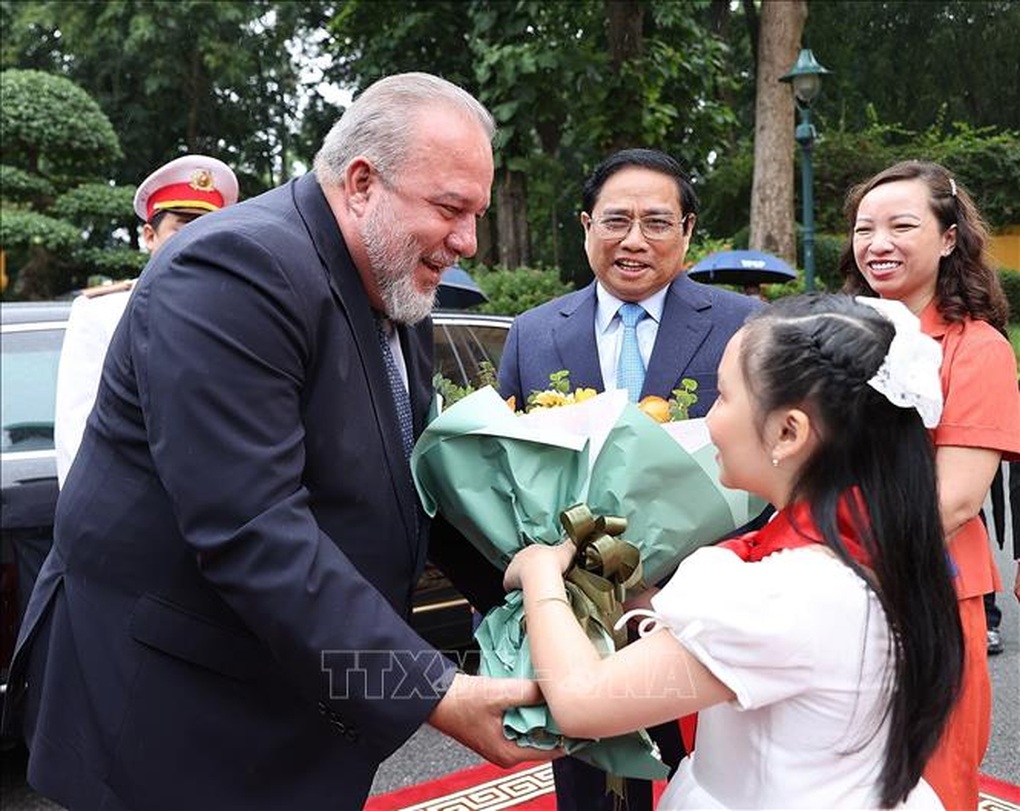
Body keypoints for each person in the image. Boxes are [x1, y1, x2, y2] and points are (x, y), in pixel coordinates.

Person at [3, 72, 552, 810]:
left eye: (477, 213)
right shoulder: (233, 268)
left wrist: (530, 577)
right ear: (362, 182)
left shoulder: (393, 282)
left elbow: (414, 478)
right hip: (182, 716)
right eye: (452, 209)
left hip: (289, 691)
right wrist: (434, 691)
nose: (469, 242)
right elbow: (252, 528)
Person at [504, 293, 964, 809]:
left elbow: (582, 700)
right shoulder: (877, 544)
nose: (709, 421)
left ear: (788, 432)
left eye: (721, 397)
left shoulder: (786, 596)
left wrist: (542, 573)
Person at [496, 147, 761, 810]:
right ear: (585, 224)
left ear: (688, 230)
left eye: (657, 222)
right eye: (615, 220)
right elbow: (505, 471)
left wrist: (674, 586)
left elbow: (769, 476)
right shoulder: (531, 334)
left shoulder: (744, 327)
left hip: (701, 615)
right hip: (575, 622)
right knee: (590, 790)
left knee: (710, 785)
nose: (634, 240)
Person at [838, 161, 1020, 811]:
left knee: (929, 780)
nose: (876, 243)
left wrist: (821, 541)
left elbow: (958, 498)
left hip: (929, 591)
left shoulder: (977, 348)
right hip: (830, 594)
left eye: (901, 225)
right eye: (864, 228)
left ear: (948, 238)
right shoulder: (836, 338)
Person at [53, 153, 240, 487]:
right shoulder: (100, 313)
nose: (197, 239)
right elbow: (75, 425)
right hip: (126, 511)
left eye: (209, 227)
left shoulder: (237, 314)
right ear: (149, 236)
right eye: (182, 227)